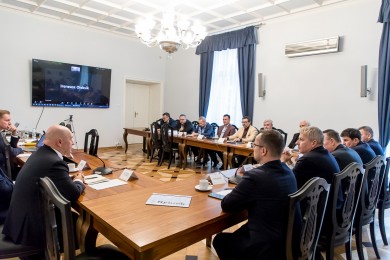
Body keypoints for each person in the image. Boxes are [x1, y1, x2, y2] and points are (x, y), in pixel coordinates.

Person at [213, 130, 298, 259]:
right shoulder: (289, 172)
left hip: (267, 247)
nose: (253, 148)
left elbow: (227, 205)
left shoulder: (256, 176)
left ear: (263, 150)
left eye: (255, 145)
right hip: (287, 238)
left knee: (220, 240)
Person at [2, 125, 85, 251]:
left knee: (74, 218)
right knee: (83, 225)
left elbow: (53, 178)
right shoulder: (55, 162)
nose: (73, 142)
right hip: (33, 230)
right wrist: (79, 180)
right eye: (71, 139)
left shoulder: (40, 153)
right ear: (60, 142)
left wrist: (66, 180)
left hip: (17, 221)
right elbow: (73, 194)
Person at [0, 109, 23, 178]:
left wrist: (14, 133)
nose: (10, 123)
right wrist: (21, 149)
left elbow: (8, 147)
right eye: (7, 120)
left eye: (9, 120)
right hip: (4, 174)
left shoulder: (1, 133)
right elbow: (11, 151)